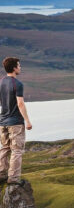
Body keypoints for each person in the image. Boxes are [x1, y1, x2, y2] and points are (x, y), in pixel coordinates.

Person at [0, 57, 32, 186]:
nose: (20, 67)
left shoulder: (1, 82)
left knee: (4, 148)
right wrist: (28, 121)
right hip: (15, 123)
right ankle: (13, 179)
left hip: (2, 122)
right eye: (19, 65)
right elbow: (20, 103)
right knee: (17, 150)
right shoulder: (17, 84)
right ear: (14, 68)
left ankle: (1, 174)